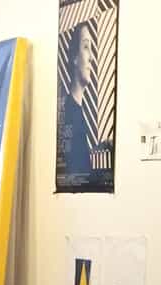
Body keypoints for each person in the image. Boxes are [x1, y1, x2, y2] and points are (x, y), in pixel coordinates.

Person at [57, 21, 95, 175]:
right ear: (74, 57)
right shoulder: (69, 114)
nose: (91, 57)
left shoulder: (76, 111)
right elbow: (77, 172)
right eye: (86, 47)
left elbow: (79, 162)